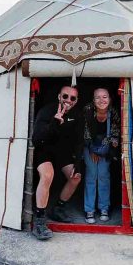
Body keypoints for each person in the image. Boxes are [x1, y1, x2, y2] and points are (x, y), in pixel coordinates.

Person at [29, 85, 84, 240]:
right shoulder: (48, 110)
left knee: (76, 177)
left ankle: (58, 208)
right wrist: (54, 123)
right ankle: (39, 221)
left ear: (76, 100)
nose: (68, 100)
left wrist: (77, 163)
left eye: (73, 98)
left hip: (62, 152)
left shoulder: (77, 115)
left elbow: (80, 141)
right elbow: (37, 138)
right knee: (47, 175)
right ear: (59, 96)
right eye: (65, 96)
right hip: (44, 149)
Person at [81, 88, 120, 224]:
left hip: (105, 148)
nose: (101, 100)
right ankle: (89, 209)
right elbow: (84, 132)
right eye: (97, 97)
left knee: (104, 175)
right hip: (89, 146)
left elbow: (115, 134)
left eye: (105, 97)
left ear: (109, 99)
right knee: (91, 175)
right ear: (93, 100)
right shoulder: (88, 110)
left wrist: (105, 148)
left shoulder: (113, 112)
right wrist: (93, 150)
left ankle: (104, 208)